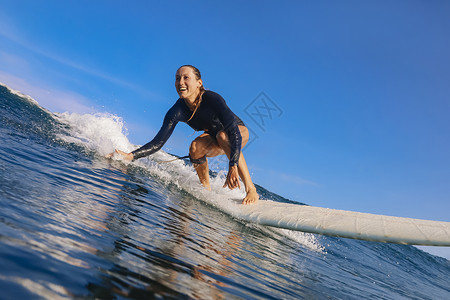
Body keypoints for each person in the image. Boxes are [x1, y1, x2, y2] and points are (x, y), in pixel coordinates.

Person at [109, 65, 259, 204]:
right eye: (177, 78)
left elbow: (233, 131)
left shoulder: (213, 99)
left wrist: (232, 166)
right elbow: (157, 142)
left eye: (186, 78)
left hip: (237, 131)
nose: (180, 82)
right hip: (214, 137)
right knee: (194, 147)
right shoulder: (177, 110)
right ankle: (206, 190)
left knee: (223, 136)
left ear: (199, 82)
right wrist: (130, 156)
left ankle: (251, 189)